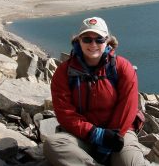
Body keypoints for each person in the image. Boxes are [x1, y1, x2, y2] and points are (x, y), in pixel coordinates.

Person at [43, 16, 148, 166]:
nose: (93, 44)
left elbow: (127, 108)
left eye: (99, 39)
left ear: (107, 41)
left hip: (120, 134)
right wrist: (96, 134)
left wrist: (109, 140)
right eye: (87, 39)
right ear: (78, 40)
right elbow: (65, 113)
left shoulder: (122, 68)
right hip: (81, 135)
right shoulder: (64, 72)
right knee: (53, 144)